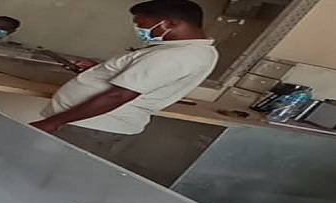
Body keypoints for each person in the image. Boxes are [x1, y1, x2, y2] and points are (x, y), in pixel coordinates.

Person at [30, 0, 217, 160]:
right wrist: (101, 70)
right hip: (89, 125)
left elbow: (118, 96)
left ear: (170, 23)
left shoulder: (175, 55)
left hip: (89, 127)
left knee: (47, 169)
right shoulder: (188, 51)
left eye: (142, 24)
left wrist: (53, 122)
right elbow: (144, 78)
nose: (139, 30)